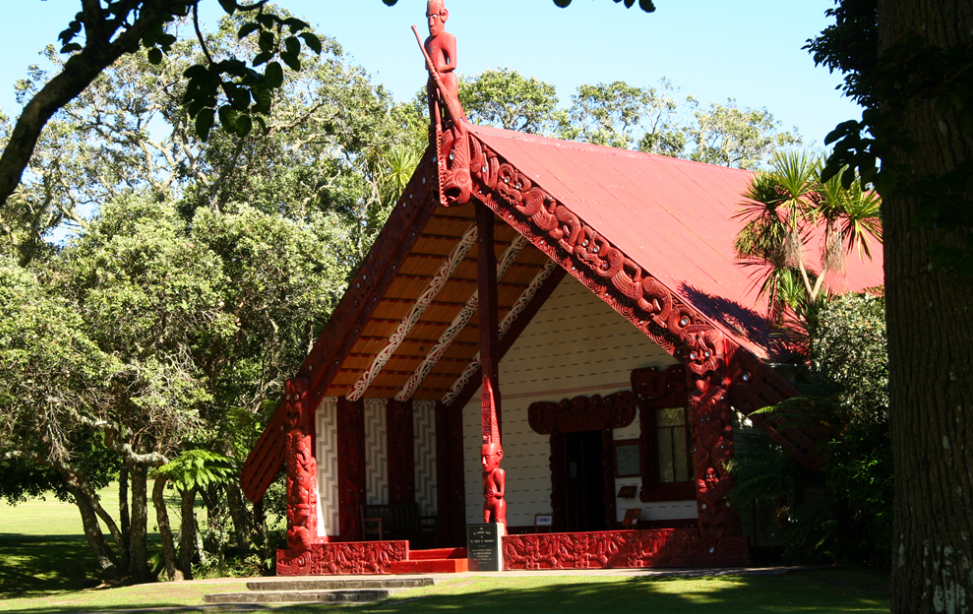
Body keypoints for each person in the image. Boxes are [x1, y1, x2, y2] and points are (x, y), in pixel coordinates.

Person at [481, 441, 506, 528]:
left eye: (486, 457)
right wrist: (486, 495)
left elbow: (502, 493)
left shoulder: (499, 472)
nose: (483, 462)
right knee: (486, 521)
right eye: (482, 457)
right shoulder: (484, 475)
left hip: (497, 502)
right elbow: (484, 491)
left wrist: (495, 494)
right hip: (488, 502)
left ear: (498, 456)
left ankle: (503, 538)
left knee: (499, 520)